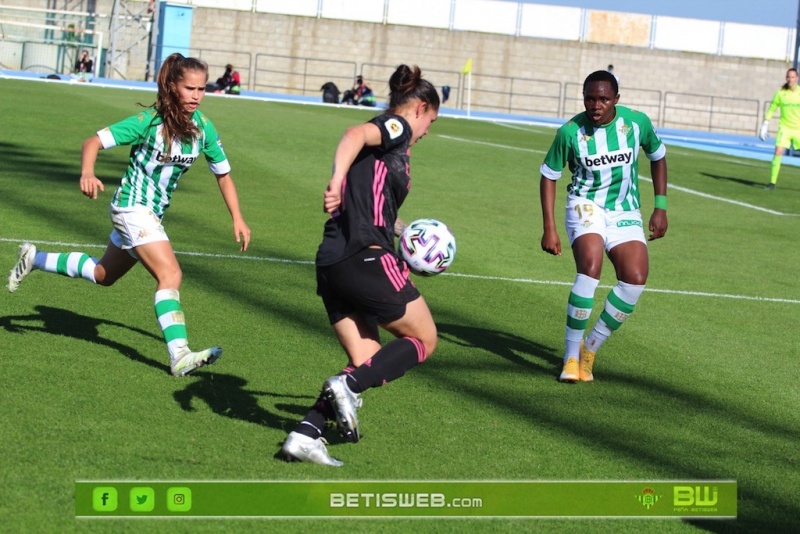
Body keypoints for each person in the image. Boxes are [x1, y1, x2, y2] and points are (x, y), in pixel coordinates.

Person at [6, 53, 251, 377]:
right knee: (171, 275)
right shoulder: (148, 122)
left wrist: (237, 216)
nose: (196, 96)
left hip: (151, 214)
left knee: (103, 275)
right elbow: (92, 142)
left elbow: (223, 174)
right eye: (189, 88)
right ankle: (180, 355)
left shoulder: (203, 127)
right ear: (172, 86)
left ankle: (35, 257)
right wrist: (87, 173)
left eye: (202, 89)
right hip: (132, 208)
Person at [280, 64, 440, 466]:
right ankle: (345, 386)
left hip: (332, 261)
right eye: (431, 122)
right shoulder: (398, 127)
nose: (427, 132)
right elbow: (354, 133)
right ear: (419, 108)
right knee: (424, 339)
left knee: (366, 358)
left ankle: (305, 434)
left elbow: (373, 204)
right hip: (364, 255)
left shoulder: (387, 152)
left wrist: (407, 233)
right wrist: (335, 179)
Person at [539, 69, 668, 384]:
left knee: (635, 280)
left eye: (603, 99)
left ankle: (590, 349)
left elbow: (658, 156)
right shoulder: (570, 132)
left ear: (616, 100)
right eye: (589, 99)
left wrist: (660, 207)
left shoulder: (636, 124)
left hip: (625, 209)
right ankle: (570, 357)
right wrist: (549, 227)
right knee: (590, 268)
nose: (595, 105)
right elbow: (549, 176)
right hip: (585, 204)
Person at [759, 68, 800, 190]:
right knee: (778, 152)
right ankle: (772, 183)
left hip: (798, 129)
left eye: (793, 77)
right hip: (785, 128)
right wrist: (765, 124)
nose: (790, 79)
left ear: (797, 78)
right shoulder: (780, 93)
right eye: (788, 77)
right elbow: (772, 108)